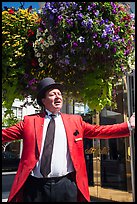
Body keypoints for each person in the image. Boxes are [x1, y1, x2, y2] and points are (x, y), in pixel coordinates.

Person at [2, 77, 135, 202]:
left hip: (65, 185)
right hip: (35, 187)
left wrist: (128, 125)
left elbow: (98, 131)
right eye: (52, 94)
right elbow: (5, 134)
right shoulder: (29, 122)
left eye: (59, 93)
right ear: (43, 100)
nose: (58, 96)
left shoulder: (75, 121)